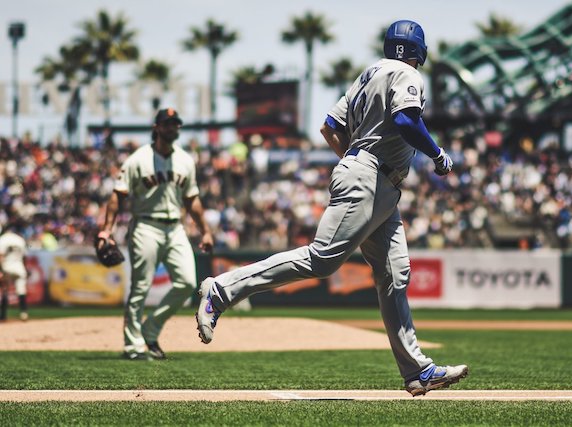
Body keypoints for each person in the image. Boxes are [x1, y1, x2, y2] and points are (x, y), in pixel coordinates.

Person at [196, 20, 468, 396]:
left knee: (394, 274)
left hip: (375, 180)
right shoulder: (406, 73)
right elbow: (406, 119)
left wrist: (352, 161)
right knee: (322, 259)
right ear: (419, 50)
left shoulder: (369, 73)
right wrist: (437, 155)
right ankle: (222, 291)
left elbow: (328, 126)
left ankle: (417, 371)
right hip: (372, 177)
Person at [98, 108, 213, 360]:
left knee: (187, 284)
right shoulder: (138, 159)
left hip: (175, 227)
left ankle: (150, 331)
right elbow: (118, 195)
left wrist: (205, 231)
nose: (172, 128)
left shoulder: (185, 160)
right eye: (168, 124)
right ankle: (132, 345)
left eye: (176, 124)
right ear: (157, 127)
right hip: (145, 226)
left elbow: (192, 199)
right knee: (140, 288)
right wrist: (107, 229)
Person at [0, 224, 29, 321]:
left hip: (7, 267)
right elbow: (25, 257)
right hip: (19, 267)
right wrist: (25, 268)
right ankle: (23, 313)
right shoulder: (20, 239)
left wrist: (1, 270)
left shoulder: (2, 239)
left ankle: (3, 315)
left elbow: (1, 256)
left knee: (4, 290)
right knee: (21, 290)